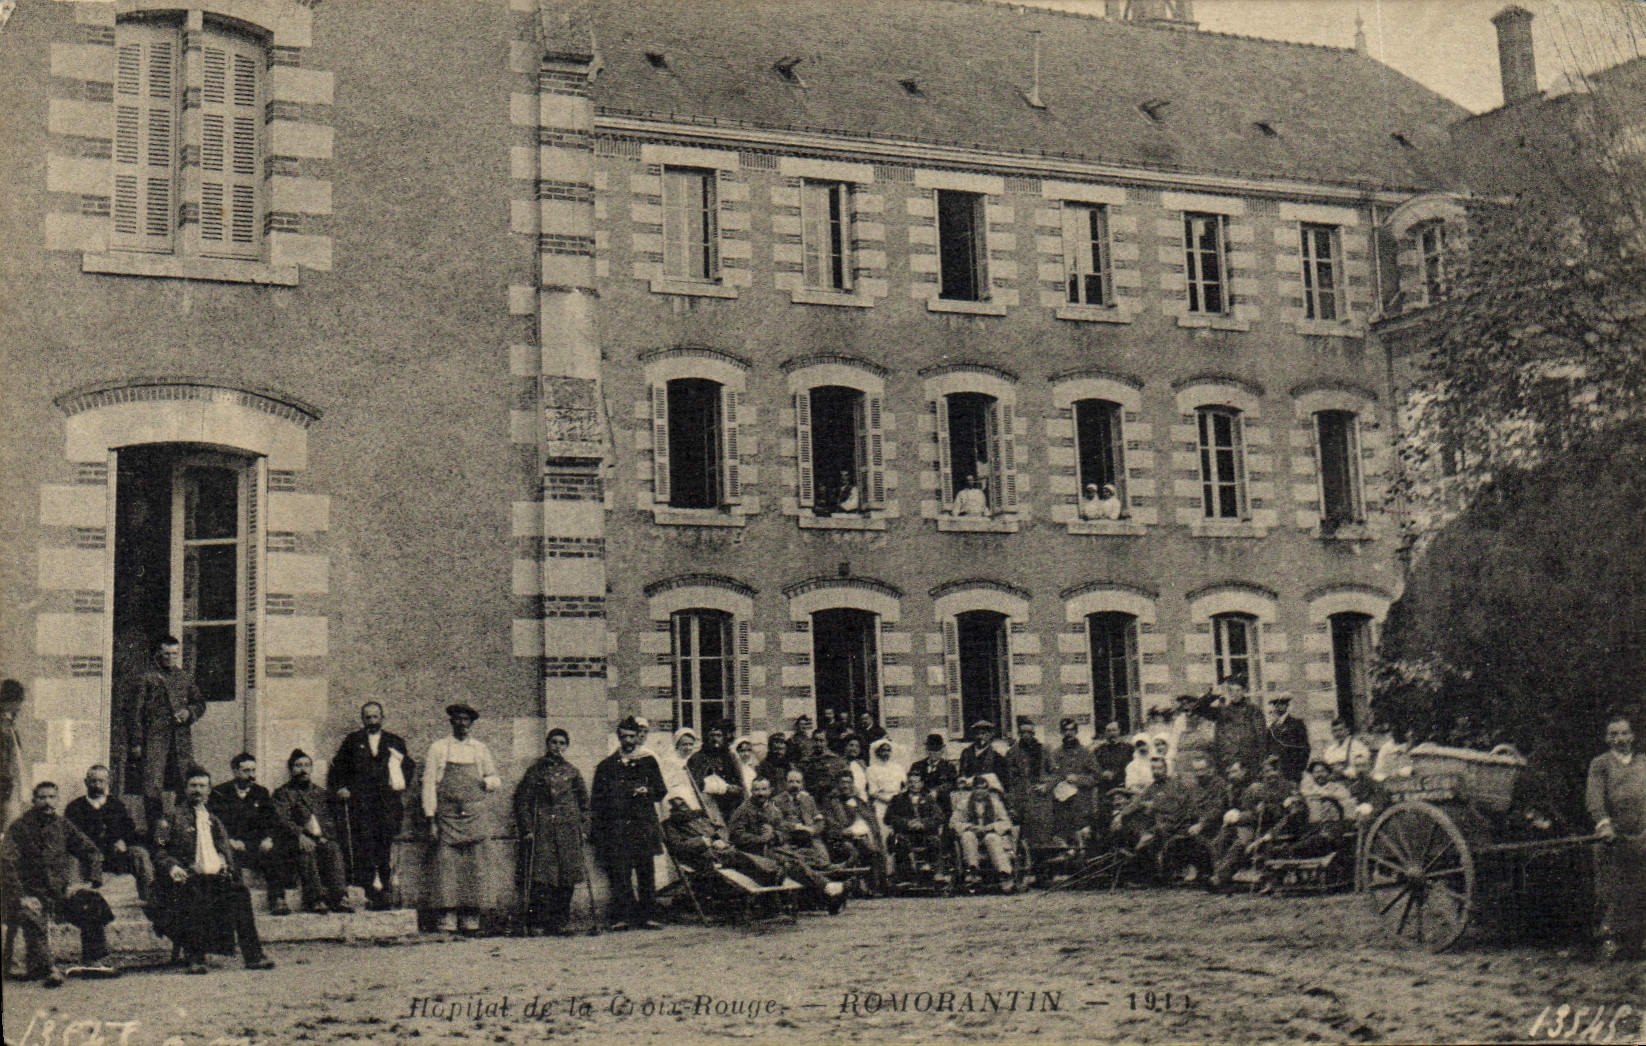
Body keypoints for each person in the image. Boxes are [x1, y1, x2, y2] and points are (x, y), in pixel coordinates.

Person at [150, 767, 275, 974]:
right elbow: (158, 850)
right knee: (194, 893)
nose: (197, 790)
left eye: (202, 786)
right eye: (193, 785)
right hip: (183, 879)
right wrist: (173, 866)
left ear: (209, 790)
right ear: (185, 789)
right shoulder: (171, 817)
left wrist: (224, 862)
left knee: (241, 893)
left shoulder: (214, 821)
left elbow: (224, 850)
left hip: (213, 878)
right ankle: (195, 958)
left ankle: (253, 956)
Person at [1, 781, 112, 985]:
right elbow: (7, 864)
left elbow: (91, 852)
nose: (47, 802)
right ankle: (46, 968)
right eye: (42, 797)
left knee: (91, 901)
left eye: (52, 797)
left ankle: (93, 960)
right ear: (33, 801)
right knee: (32, 915)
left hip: (59, 894)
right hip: (30, 894)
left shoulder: (63, 826)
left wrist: (89, 882)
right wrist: (21, 896)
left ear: (58, 800)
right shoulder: (19, 828)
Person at [422, 703, 502, 933]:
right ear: (451, 722)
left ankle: (471, 915)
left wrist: (485, 783)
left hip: (474, 816)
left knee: (474, 865)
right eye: (458, 719)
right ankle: (447, 916)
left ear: (471, 723)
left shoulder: (480, 749)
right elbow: (428, 785)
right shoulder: (439, 748)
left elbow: (495, 778)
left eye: (466, 720)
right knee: (446, 865)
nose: (462, 724)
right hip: (447, 815)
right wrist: (431, 819)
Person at [327, 701, 414, 910]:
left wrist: (398, 783)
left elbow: (408, 767)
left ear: (382, 718)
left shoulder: (394, 741)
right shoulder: (353, 741)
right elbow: (337, 768)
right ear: (362, 719)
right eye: (368, 717)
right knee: (363, 847)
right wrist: (341, 788)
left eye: (375, 716)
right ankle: (367, 892)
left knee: (384, 847)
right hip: (361, 805)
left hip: (386, 805)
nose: (372, 721)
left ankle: (385, 892)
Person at [590, 717, 667, 931]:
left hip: (642, 826)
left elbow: (661, 791)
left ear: (638, 737)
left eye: (632, 736)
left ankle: (648, 916)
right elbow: (597, 800)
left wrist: (647, 791)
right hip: (617, 828)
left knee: (645, 871)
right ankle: (622, 917)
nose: (629, 741)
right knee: (620, 873)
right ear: (618, 737)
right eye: (624, 737)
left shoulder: (648, 762)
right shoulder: (606, 766)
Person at [726, 778, 845, 913]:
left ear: (770, 791)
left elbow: (784, 831)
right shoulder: (743, 810)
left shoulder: (772, 810)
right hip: (752, 853)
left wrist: (774, 835)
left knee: (801, 858)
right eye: (757, 789)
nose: (760, 793)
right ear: (751, 791)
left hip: (773, 848)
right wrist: (760, 838)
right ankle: (829, 889)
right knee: (790, 864)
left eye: (764, 789)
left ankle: (827, 893)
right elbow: (735, 836)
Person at [513, 728, 588, 936]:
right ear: (547, 744)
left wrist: (583, 828)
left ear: (567, 746)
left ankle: (559, 922)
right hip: (543, 830)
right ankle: (537, 922)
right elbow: (522, 801)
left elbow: (584, 803)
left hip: (567, 830)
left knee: (566, 877)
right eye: (554, 742)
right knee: (542, 877)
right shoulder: (536, 771)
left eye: (562, 743)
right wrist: (527, 829)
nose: (557, 747)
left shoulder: (572, 772)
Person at [125, 635, 207, 827]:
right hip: (154, 739)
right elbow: (135, 712)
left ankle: (183, 826)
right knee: (152, 784)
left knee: (184, 780)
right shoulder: (147, 677)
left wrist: (189, 712)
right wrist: (136, 742)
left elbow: (199, 703)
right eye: (166, 654)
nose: (170, 658)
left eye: (174, 654)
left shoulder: (183, 677)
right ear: (158, 653)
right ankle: (156, 829)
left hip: (180, 740)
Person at [1586, 714, 1644, 960]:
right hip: (1613, 837)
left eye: (1624, 733)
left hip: (1642, 835)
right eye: (1614, 734)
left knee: (1640, 887)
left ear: (1632, 736)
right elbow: (1595, 798)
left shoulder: (1643, 762)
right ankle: (1609, 941)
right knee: (1611, 890)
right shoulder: (1600, 764)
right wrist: (1604, 825)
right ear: (1607, 738)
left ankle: (1637, 943)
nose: (1620, 738)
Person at [271, 749, 352, 914]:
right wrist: (300, 834)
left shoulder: (321, 793)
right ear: (291, 769)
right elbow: (282, 819)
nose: (303, 769)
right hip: (294, 840)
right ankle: (315, 899)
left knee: (333, 848)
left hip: (319, 838)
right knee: (307, 849)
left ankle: (340, 897)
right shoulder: (283, 793)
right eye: (298, 766)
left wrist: (325, 836)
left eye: (307, 765)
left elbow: (329, 819)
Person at [208, 753, 286, 914]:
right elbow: (214, 822)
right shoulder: (219, 793)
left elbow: (271, 820)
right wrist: (229, 840)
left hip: (256, 845)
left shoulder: (261, 792)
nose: (251, 775)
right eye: (246, 771)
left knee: (274, 854)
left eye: (253, 770)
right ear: (235, 771)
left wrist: (268, 838)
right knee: (229, 861)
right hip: (231, 845)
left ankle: (278, 899)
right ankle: (236, 905)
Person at [65, 764, 154, 903]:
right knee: (71, 861)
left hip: (114, 856)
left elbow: (129, 829)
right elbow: (70, 836)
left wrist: (123, 841)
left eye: (101, 781)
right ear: (86, 782)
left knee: (140, 853)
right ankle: (73, 902)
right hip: (87, 857)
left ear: (108, 782)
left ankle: (149, 898)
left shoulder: (117, 805)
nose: (97, 785)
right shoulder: (74, 807)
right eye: (93, 781)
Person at [661, 789, 782, 885]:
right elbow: (677, 847)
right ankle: (768, 876)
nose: (681, 807)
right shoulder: (671, 825)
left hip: (718, 850)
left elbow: (717, 830)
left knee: (742, 854)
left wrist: (719, 839)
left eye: (682, 803)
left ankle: (772, 873)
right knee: (738, 858)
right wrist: (703, 841)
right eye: (676, 804)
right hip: (700, 856)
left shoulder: (698, 817)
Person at [951, 774, 1016, 891]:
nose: (980, 791)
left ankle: (1004, 873)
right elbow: (954, 822)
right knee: (967, 836)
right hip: (973, 834)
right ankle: (973, 870)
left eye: (983, 788)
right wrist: (969, 826)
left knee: (991, 838)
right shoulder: (964, 803)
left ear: (987, 789)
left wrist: (991, 827)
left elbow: (1006, 822)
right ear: (973, 789)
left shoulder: (995, 803)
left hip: (990, 833)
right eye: (977, 788)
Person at [1047, 718, 1099, 851]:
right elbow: (1051, 776)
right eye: (1065, 730)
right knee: (1065, 842)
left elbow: (1096, 777)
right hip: (1062, 805)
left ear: (1076, 732)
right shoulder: (1056, 754)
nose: (1068, 733)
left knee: (1083, 842)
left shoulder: (1086, 753)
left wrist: (1078, 779)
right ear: (1061, 732)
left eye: (1071, 730)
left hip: (1081, 803)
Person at [883, 769, 944, 881]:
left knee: (935, 841)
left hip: (925, 833)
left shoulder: (929, 799)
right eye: (910, 782)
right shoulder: (897, 799)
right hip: (905, 833)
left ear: (922, 784)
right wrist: (907, 823)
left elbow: (939, 817)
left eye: (916, 782)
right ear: (907, 783)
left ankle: (935, 872)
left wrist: (923, 823)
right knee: (899, 841)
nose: (913, 785)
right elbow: (888, 818)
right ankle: (906, 875)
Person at [1006, 719, 1054, 850]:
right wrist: (1012, 804)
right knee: (1025, 836)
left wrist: (1046, 785)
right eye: (1023, 732)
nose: (1026, 735)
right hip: (1022, 798)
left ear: (1033, 733)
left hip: (1041, 799)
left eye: (1029, 732)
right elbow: (1009, 781)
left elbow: (1056, 774)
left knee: (1043, 834)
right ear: (1019, 734)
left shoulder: (1044, 750)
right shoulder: (1012, 753)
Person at [687, 721, 746, 824]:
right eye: (712, 735)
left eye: (718, 735)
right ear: (706, 738)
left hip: (729, 804)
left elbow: (740, 782)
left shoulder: (731, 757)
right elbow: (694, 784)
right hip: (707, 805)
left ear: (724, 738)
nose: (715, 739)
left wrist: (734, 789)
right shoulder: (697, 758)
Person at [773, 768, 832, 866]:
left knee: (824, 860)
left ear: (802, 784)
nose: (795, 785)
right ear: (785, 783)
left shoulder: (809, 799)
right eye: (791, 781)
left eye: (798, 782)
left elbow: (819, 819)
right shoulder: (777, 801)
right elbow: (778, 822)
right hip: (789, 837)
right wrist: (795, 827)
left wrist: (814, 830)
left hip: (810, 837)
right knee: (791, 861)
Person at [1214, 673, 1265, 777]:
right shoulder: (1224, 712)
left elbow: (1261, 736)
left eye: (1238, 690)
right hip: (1229, 760)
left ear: (1244, 691)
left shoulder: (1253, 710)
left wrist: (1259, 759)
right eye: (1232, 691)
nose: (1235, 694)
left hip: (1249, 760)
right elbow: (1219, 738)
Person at [1264, 695, 1311, 783]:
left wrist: (1299, 770)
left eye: (1281, 704)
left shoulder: (1297, 724)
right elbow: (1268, 748)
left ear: (1287, 705)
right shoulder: (1272, 727)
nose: (1278, 707)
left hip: (1292, 769)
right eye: (1275, 704)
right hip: (1276, 771)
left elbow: (1305, 748)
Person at [958, 721, 1012, 795]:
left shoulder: (996, 756)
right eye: (977, 734)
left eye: (983, 733)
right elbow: (962, 772)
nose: (980, 737)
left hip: (989, 792)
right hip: (969, 791)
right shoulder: (966, 753)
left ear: (990, 735)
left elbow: (1003, 779)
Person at [913, 732, 960, 811]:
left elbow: (952, 784)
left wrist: (937, 791)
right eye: (930, 749)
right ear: (926, 750)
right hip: (921, 805)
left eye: (936, 749)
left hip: (942, 806)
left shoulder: (949, 767)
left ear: (942, 750)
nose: (933, 753)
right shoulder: (917, 766)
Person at [0, 680, 24, 832]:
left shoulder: (10, 725)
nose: (20, 707)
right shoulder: (4, 727)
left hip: (10, 783)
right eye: (18, 702)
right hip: (5, 785)